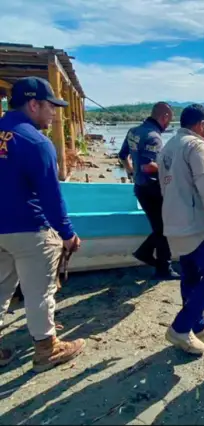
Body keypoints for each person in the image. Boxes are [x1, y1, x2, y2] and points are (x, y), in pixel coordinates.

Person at [0, 76, 85, 372]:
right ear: (34, 104)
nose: (55, 113)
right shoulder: (36, 142)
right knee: (40, 292)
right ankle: (47, 349)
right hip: (28, 228)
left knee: (0, 288)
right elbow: (51, 196)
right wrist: (67, 234)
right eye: (51, 106)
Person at [158, 104, 204, 355]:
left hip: (174, 223)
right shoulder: (197, 145)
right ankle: (181, 327)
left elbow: (164, 189)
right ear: (202, 125)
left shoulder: (167, 148)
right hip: (198, 225)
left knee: (190, 275)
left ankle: (198, 326)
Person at [118, 102, 178, 279]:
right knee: (165, 227)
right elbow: (148, 166)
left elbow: (123, 155)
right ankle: (163, 268)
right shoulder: (154, 137)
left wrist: (130, 171)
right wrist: (172, 169)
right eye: (169, 120)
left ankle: (147, 254)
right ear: (164, 117)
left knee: (160, 227)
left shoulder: (133, 131)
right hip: (153, 188)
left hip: (140, 187)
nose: (168, 125)